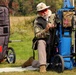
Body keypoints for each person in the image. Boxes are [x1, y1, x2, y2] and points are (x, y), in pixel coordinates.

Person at [21, 2, 55, 73]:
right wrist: (46, 30)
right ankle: (42, 66)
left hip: (54, 39)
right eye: (41, 11)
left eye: (45, 10)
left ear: (47, 9)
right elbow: (37, 35)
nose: (44, 13)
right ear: (39, 13)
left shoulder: (54, 16)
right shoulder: (37, 21)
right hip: (44, 40)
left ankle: (32, 61)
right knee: (41, 42)